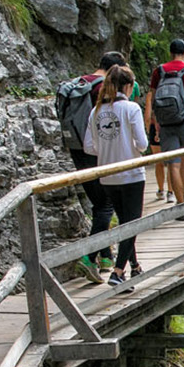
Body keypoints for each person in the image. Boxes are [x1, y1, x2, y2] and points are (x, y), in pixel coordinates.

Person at [83, 65, 149, 291]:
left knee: (125, 223)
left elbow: (89, 146)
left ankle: (136, 266)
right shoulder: (131, 109)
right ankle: (119, 272)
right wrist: (126, 146)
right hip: (131, 174)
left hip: (107, 175)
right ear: (128, 86)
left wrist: (107, 149)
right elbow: (143, 144)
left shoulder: (96, 111)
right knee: (132, 225)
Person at [64, 50, 123, 282]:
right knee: (106, 204)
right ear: (114, 70)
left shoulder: (81, 83)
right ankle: (89, 258)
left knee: (98, 202)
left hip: (77, 149)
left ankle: (106, 256)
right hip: (97, 152)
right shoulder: (103, 88)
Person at [144, 38, 184, 211]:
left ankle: (181, 206)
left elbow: (155, 100)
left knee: (174, 164)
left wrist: (156, 125)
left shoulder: (159, 72)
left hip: (166, 124)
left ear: (170, 53)